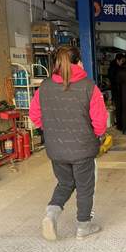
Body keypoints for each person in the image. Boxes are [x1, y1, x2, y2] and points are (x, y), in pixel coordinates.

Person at [29, 46, 108, 241]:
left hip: (56, 149)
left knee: (65, 183)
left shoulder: (45, 86)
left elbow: (34, 115)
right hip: (83, 148)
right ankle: (83, 227)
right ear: (78, 62)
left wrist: (52, 131)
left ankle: (51, 215)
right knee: (84, 187)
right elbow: (100, 121)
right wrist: (97, 136)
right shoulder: (89, 87)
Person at [108, 53, 125, 130]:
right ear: (117, 60)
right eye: (122, 61)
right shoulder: (114, 68)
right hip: (116, 91)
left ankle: (121, 124)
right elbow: (114, 80)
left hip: (118, 90)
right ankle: (120, 125)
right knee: (119, 109)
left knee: (120, 108)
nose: (123, 63)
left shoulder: (115, 67)